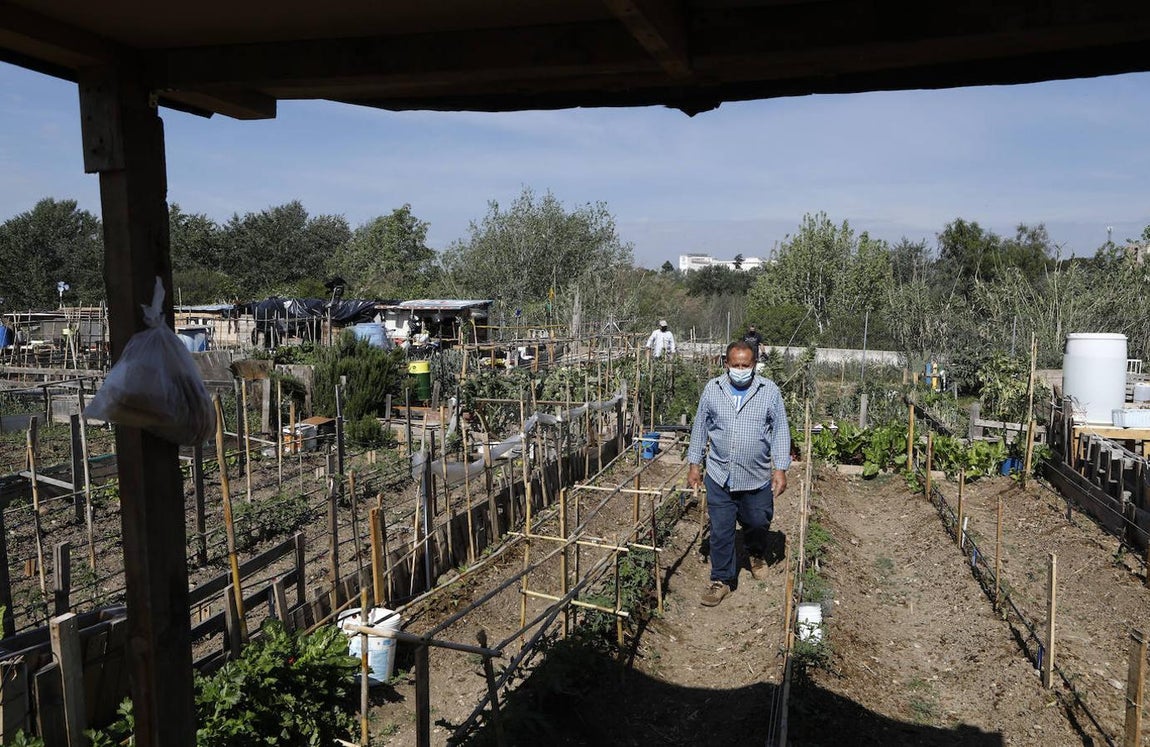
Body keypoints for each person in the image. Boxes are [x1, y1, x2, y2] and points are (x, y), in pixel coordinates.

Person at [687, 340, 791, 607]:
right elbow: (700, 428)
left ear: (754, 364)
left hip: (755, 476)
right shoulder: (713, 389)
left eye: (746, 365)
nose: (741, 370)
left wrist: (780, 468)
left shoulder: (769, 392)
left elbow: (780, 431)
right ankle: (721, 579)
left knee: (757, 521)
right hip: (720, 474)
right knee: (721, 530)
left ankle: (756, 552)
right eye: (736, 365)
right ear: (726, 364)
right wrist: (694, 465)